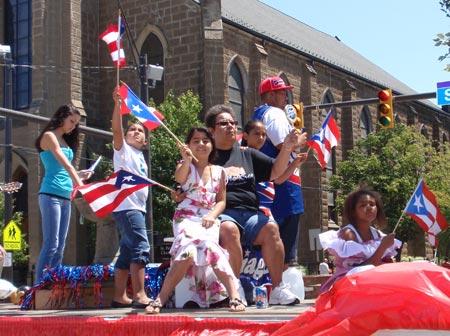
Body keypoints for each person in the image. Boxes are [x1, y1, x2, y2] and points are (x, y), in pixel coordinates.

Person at [204, 104, 307, 305]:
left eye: (233, 123)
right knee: (229, 229)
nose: (230, 127)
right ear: (211, 130)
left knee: (270, 227)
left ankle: (277, 289)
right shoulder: (205, 157)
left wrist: (286, 148)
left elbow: (276, 173)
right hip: (222, 214)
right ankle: (236, 289)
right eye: (223, 123)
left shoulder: (247, 154)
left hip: (251, 214)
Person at [146, 127, 245, 314]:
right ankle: (161, 298)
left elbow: (221, 201)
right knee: (188, 249)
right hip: (186, 216)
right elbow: (179, 178)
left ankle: (234, 295)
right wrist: (188, 159)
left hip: (208, 217)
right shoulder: (185, 165)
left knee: (211, 247)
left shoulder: (219, 171)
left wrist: (212, 215)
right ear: (188, 144)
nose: (201, 144)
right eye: (196, 141)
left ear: (212, 144)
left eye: (205, 140)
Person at [252, 76, 306, 270]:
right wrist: (297, 143)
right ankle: (279, 285)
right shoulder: (274, 113)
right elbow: (284, 144)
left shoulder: (259, 115)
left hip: (271, 185)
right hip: (284, 188)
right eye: (283, 92)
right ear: (271, 94)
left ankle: (271, 284)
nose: (286, 97)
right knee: (284, 245)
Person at [34, 105, 93, 284]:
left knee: (60, 246)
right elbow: (66, 166)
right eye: (71, 122)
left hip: (66, 196)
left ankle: (54, 281)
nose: (73, 127)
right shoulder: (49, 136)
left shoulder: (64, 140)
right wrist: (82, 186)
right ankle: (40, 284)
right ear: (61, 117)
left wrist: (80, 175)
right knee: (51, 243)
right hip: (50, 193)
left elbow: (66, 169)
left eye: (75, 124)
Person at [110, 87, 153, 309]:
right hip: (128, 207)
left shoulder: (140, 157)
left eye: (140, 130)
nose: (136, 132)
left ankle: (119, 296)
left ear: (145, 140)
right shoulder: (123, 150)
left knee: (127, 251)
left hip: (136, 207)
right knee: (140, 246)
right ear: (126, 137)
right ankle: (139, 294)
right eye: (132, 129)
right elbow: (116, 130)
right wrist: (118, 106)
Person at [318, 188, 402, 294]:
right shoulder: (348, 234)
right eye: (362, 205)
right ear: (353, 211)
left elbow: (383, 263)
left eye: (372, 204)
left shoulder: (377, 234)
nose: (369, 208)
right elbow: (360, 270)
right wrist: (383, 247)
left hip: (374, 282)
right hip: (350, 286)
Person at [241, 119, 307, 219]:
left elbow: (278, 179)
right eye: (256, 134)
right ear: (246, 136)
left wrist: (294, 164)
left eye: (264, 134)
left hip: (266, 213)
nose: (261, 137)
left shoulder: (262, 157)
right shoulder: (241, 154)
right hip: (251, 212)